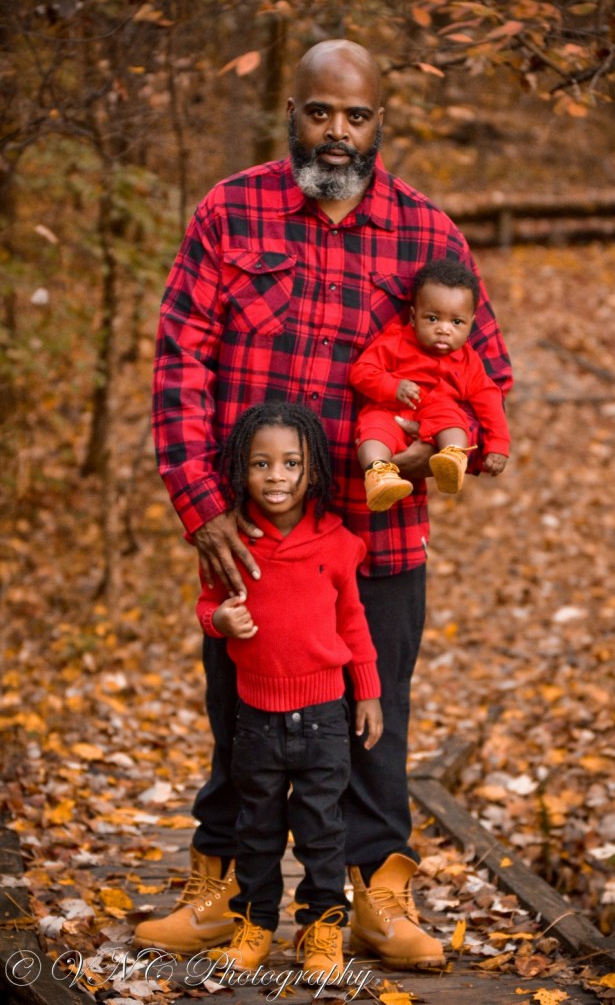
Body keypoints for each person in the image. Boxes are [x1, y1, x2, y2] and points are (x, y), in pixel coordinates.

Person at [137, 38, 512, 969]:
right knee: (243, 720)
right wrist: (201, 504)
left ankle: (378, 896)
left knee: (377, 723)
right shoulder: (231, 211)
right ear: (292, 112)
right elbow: (179, 361)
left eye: (356, 115)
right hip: (254, 538)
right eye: (319, 112)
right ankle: (224, 888)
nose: (336, 131)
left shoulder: (428, 235)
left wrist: (441, 448)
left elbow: (488, 372)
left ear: (380, 121)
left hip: (381, 537)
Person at [194, 401, 382, 977]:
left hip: (325, 715)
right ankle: (254, 924)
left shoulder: (339, 544)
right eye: (261, 464)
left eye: (291, 464)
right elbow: (207, 604)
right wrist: (219, 621)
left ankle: (321, 928)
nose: (276, 476)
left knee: (323, 828)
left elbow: (353, 621)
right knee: (257, 828)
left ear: (313, 470)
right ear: (241, 468)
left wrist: (368, 691)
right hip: (255, 716)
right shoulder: (229, 541)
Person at [350, 258, 510, 511]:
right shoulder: (394, 341)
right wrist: (393, 386)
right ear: (414, 317)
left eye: (456, 322)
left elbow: (489, 401)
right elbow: (360, 372)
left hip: (436, 410)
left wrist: (498, 444)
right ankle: (379, 474)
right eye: (433, 319)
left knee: (453, 420)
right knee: (372, 432)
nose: (444, 329)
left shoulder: (468, 361)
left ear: (470, 324)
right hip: (390, 409)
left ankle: (452, 457)